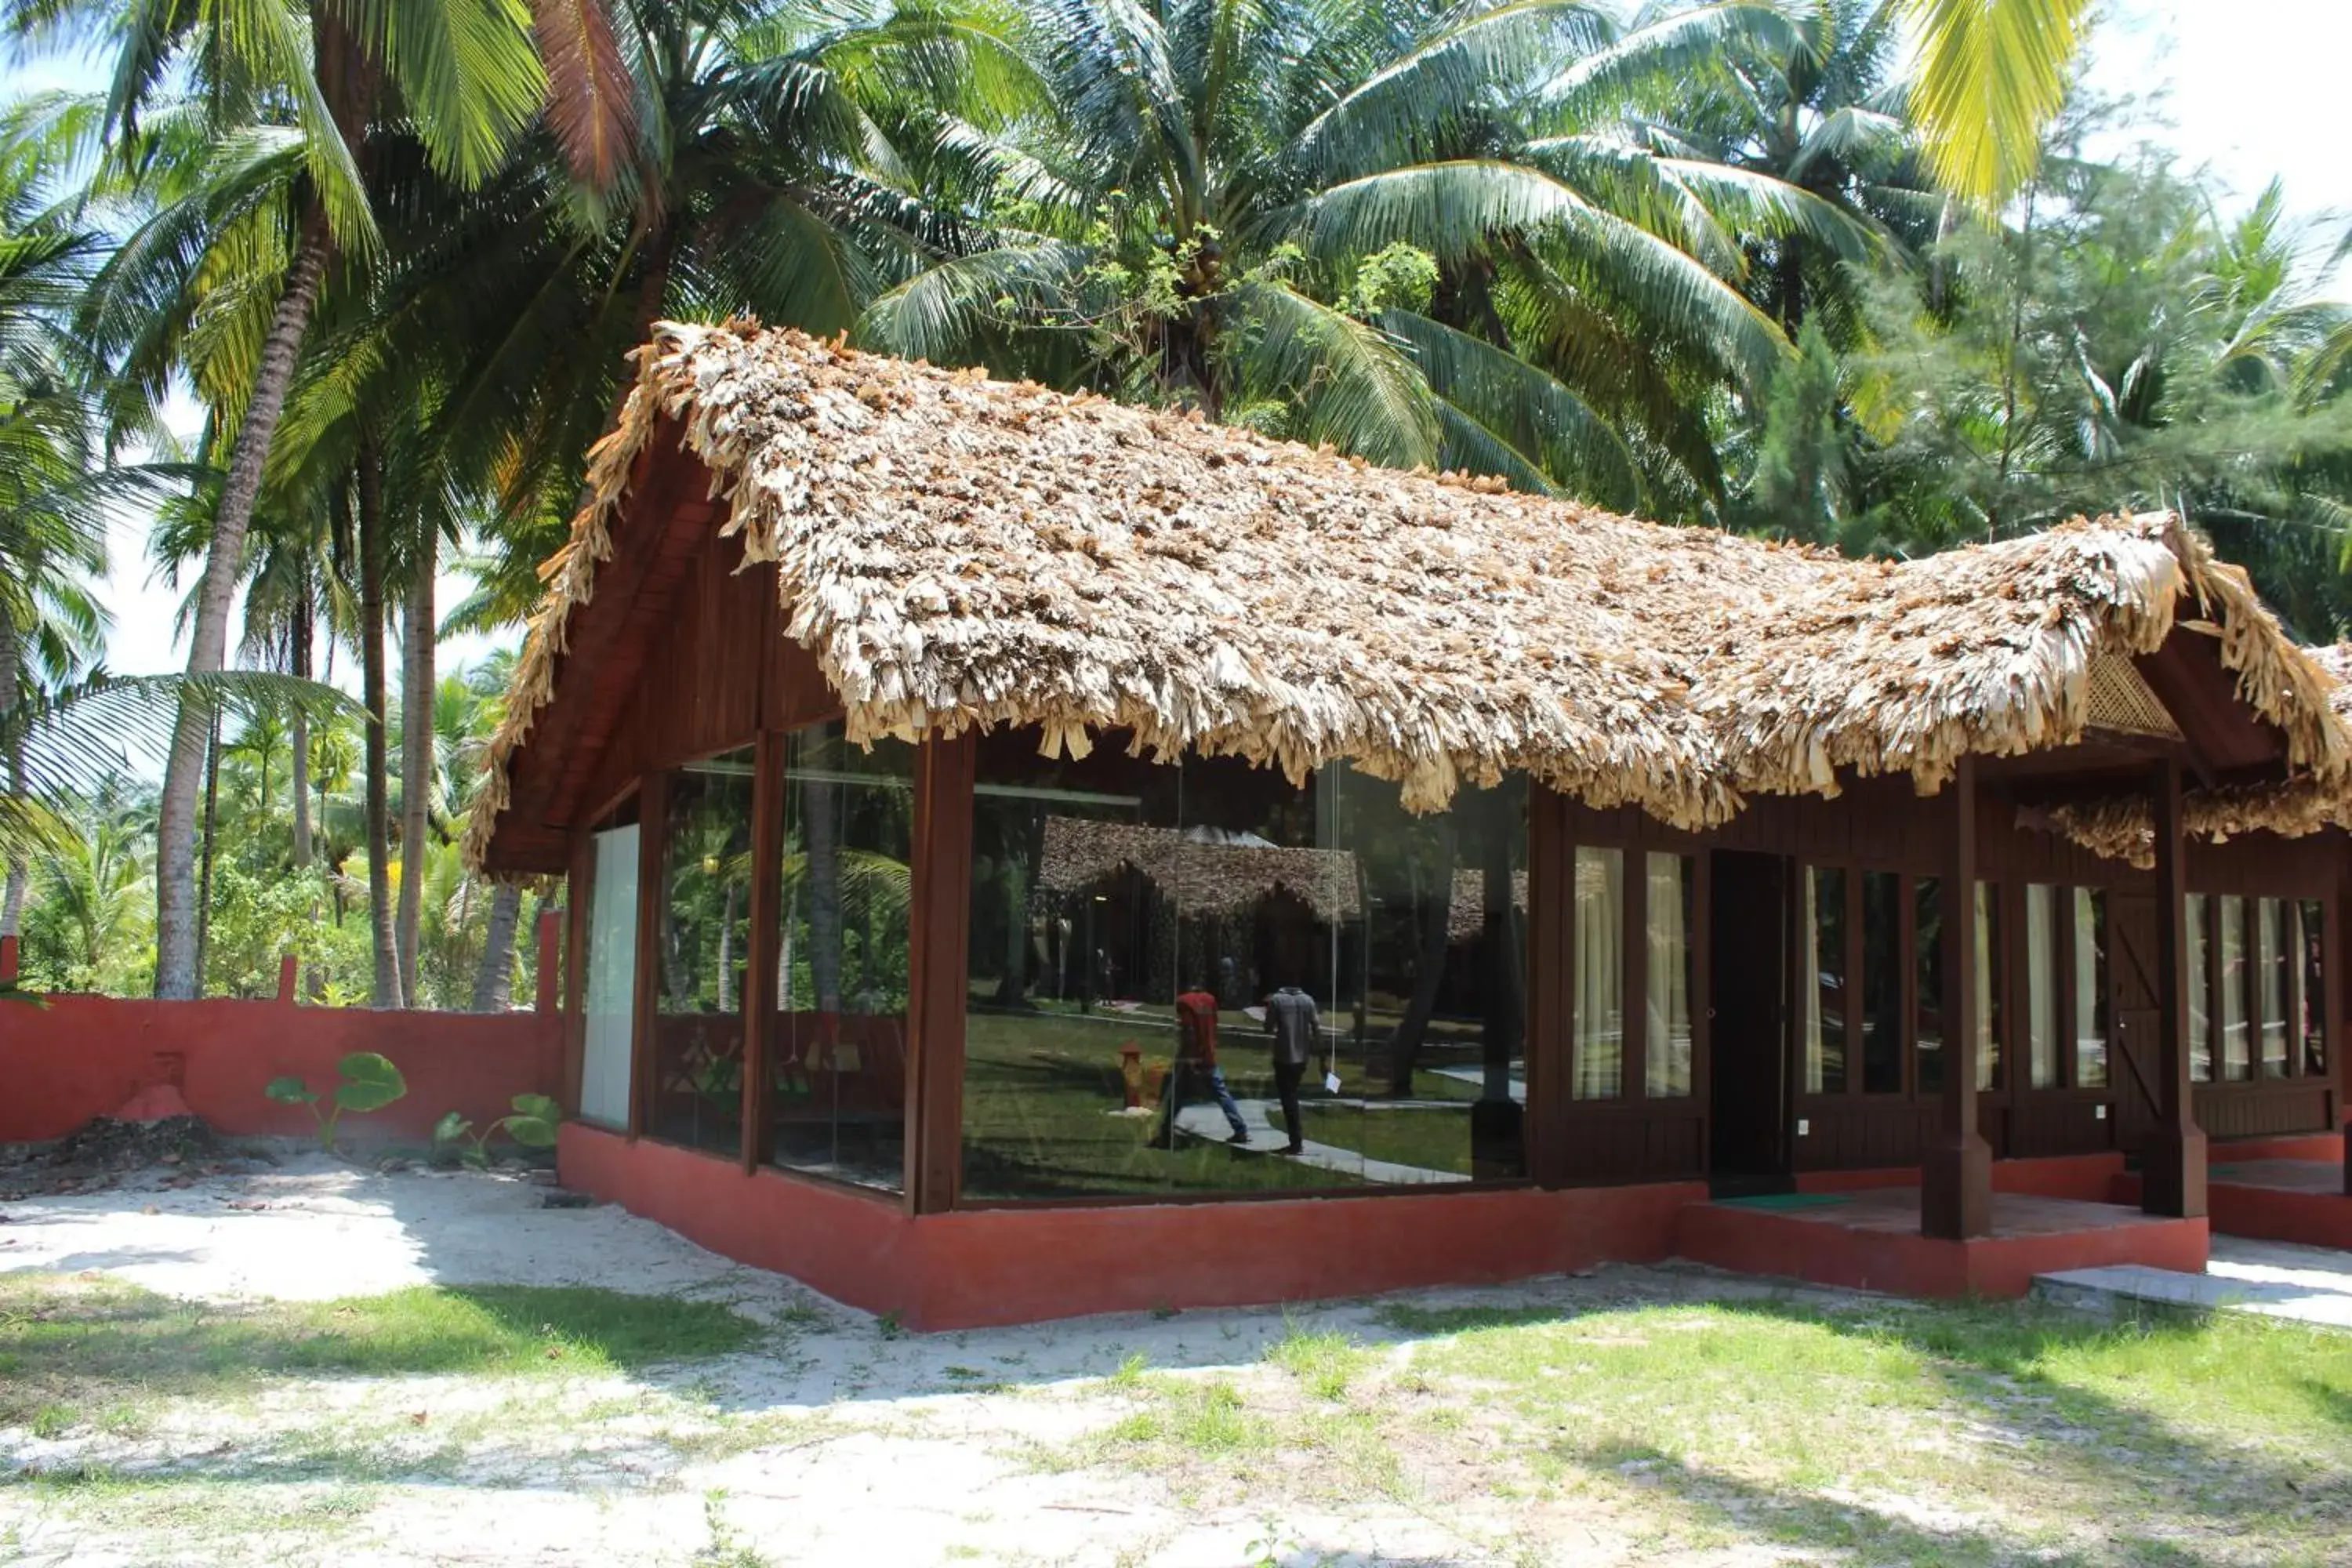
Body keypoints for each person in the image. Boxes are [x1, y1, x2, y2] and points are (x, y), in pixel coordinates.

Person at [1157, 982, 1251, 1148]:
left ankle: (1166, 1132)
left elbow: (1189, 1030)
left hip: (1191, 1056)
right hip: (1208, 1054)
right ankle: (1240, 1129)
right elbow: (1212, 1026)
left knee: (1177, 1093)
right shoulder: (1210, 1001)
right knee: (1221, 1093)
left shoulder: (1185, 1002)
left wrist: (1188, 1057)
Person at [1263, 982, 1319, 1156]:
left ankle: (1296, 1142)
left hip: (1284, 1056)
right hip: (1302, 1056)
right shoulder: (1308, 1000)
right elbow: (1316, 1027)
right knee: (1292, 1094)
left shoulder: (1277, 1000)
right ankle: (1296, 1140)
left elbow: (1268, 1027)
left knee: (1289, 1100)